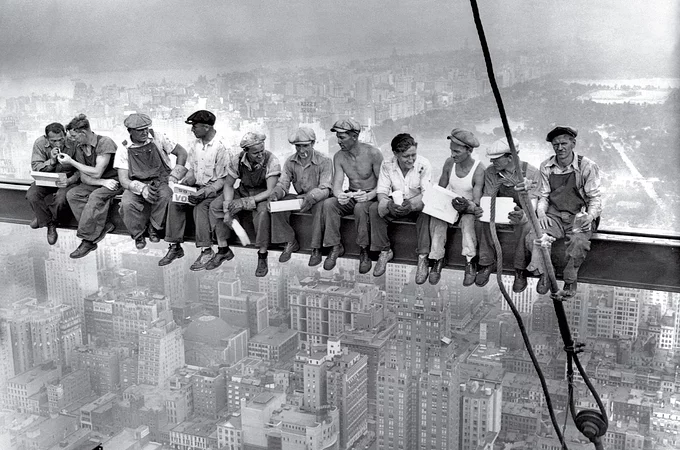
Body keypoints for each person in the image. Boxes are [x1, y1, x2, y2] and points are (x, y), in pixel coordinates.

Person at [524, 126, 602, 297]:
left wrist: (590, 216)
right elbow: (543, 196)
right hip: (555, 215)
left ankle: (570, 278)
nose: (560, 148)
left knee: (579, 242)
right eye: (555, 144)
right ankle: (544, 273)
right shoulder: (546, 166)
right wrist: (542, 214)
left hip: (579, 216)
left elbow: (595, 198)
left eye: (564, 143)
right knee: (535, 236)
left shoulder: (587, 166)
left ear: (573, 143)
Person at [158, 110, 231, 270]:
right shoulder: (196, 145)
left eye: (195, 127)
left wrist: (204, 192)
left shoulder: (221, 147)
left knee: (201, 207)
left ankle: (206, 250)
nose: (192, 130)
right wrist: (183, 185)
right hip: (198, 187)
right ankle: (175, 246)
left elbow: (223, 180)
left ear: (206, 127)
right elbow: (192, 170)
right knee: (175, 201)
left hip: (215, 191)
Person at [209, 132, 281, 277]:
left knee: (262, 213)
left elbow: (270, 190)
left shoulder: (272, 160)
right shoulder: (237, 160)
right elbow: (229, 185)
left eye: (262, 151)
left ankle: (262, 254)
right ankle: (224, 248)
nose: (260, 155)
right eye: (255, 153)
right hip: (243, 190)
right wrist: (228, 209)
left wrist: (244, 203)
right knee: (216, 206)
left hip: (261, 195)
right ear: (246, 151)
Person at [474, 137, 539, 292]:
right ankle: (486, 262)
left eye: (497, 159)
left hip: (521, 213)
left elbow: (533, 202)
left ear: (510, 157)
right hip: (498, 211)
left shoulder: (530, 172)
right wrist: (482, 208)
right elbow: (489, 195)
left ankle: (520, 269)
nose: (492, 161)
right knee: (480, 221)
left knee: (525, 225)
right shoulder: (491, 172)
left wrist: (523, 214)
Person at [114, 113, 188, 249]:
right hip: (137, 183)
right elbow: (124, 179)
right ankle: (138, 234)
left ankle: (154, 228)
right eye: (140, 130)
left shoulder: (158, 137)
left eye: (146, 128)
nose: (144, 132)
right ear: (130, 131)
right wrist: (142, 189)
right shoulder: (124, 148)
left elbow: (182, 153)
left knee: (165, 196)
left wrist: (174, 176)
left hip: (161, 180)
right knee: (127, 203)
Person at [321, 118, 383, 273]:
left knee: (361, 209)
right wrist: (340, 195)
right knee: (329, 204)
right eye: (338, 137)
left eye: (342, 137)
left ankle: (364, 250)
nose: (338, 141)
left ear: (354, 137)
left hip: (371, 196)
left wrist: (369, 196)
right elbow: (337, 184)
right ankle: (335, 246)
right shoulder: (339, 157)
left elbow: (383, 184)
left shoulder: (373, 154)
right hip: (352, 194)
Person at [370, 133, 432, 282]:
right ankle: (385, 251)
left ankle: (423, 257)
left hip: (416, 204)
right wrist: (389, 204)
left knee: (427, 212)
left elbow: (427, 193)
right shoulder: (387, 165)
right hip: (397, 204)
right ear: (396, 154)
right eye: (406, 156)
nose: (411, 160)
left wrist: (411, 205)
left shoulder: (424, 165)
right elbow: (382, 192)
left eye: (413, 155)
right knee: (374, 209)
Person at [427, 128, 485, 286]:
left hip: (467, 208)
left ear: (469, 150)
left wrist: (466, 206)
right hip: (450, 204)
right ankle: (437, 258)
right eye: (451, 150)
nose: (453, 154)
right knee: (437, 219)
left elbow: (477, 201)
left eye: (457, 151)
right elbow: (442, 188)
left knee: (467, 223)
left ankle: (470, 260)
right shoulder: (449, 163)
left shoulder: (479, 170)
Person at [59, 114, 122, 258]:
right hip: (100, 182)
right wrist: (101, 182)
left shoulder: (104, 143)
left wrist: (72, 162)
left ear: (83, 133)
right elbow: (84, 176)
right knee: (73, 194)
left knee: (96, 196)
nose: (73, 140)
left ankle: (87, 240)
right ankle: (102, 226)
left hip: (115, 181)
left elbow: (97, 171)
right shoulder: (81, 147)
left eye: (74, 136)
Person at [269, 127, 332, 264]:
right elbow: (284, 183)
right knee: (277, 206)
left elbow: (325, 187)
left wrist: (312, 196)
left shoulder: (324, 161)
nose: (301, 150)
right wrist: (276, 194)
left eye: (305, 146)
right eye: (298, 146)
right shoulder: (290, 161)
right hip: (300, 198)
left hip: (318, 197)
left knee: (320, 207)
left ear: (313, 144)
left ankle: (316, 248)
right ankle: (289, 240)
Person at [26, 122, 80, 245]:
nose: (58, 144)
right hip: (46, 178)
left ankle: (44, 218)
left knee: (61, 199)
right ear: (46, 138)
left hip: (67, 179)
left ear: (65, 135)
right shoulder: (40, 143)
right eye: (53, 141)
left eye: (61, 140)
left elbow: (80, 168)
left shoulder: (74, 143)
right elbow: (36, 166)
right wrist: (52, 161)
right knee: (32, 195)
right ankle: (49, 223)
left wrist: (70, 180)